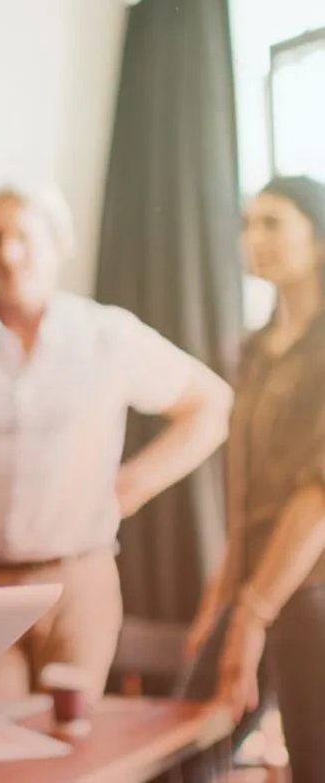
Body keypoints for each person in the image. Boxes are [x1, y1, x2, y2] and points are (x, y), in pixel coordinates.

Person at [0, 182, 233, 703]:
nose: (8, 252)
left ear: (57, 243)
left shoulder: (108, 336)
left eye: (22, 236)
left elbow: (211, 405)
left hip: (79, 584)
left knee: (72, 753)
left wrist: (133, 485)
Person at [180, 176, 325, 783]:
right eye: (248, 224)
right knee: (185, 751)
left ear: (317, 238)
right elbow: (242, 492)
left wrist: (252, 614)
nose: (254, 238)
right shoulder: (256, 349)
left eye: (274, 223)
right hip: (255, 588)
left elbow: (318, 494)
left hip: (310, 593)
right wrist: (221, 598)